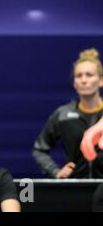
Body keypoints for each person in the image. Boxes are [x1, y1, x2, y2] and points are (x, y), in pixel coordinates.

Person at [32, 48, 103, 178]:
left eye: (89, 75)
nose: (83, 80)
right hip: (75, 189)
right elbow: (39, 150)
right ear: (74, 83)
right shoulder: (63, 115)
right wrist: (55, 171)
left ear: (101, 80)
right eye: (78, 75)